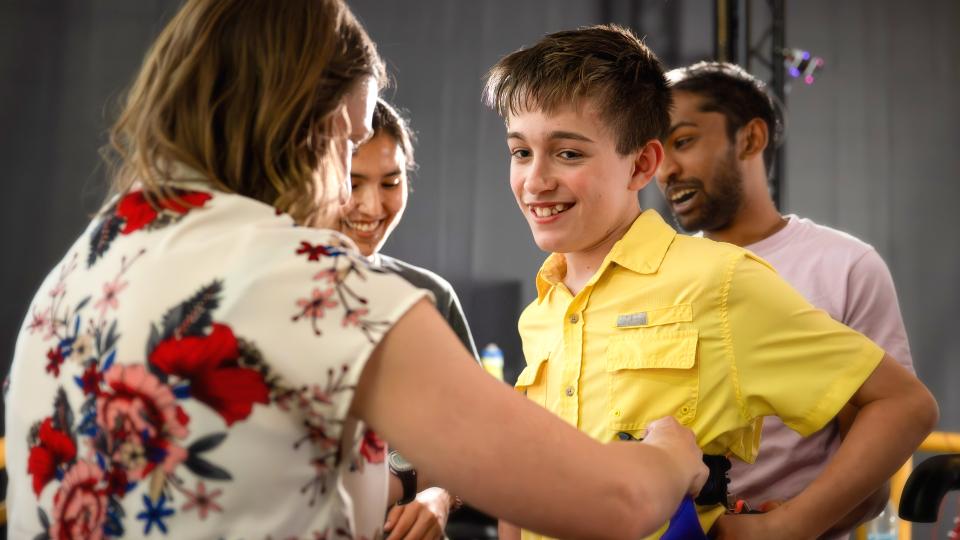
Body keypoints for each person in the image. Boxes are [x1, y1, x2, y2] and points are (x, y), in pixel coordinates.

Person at [3, 1, 710, 539]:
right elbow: (613, 502)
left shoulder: (90, 261)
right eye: (349, 136)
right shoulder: (312, 283)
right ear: (302, 123)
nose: (348, 188)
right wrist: (671, 453)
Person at [483, 24, 937, 540]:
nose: (535, 180)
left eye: (569, 153)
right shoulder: (544, 308)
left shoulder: (718, 281)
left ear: (641, 164)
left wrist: (790, 525)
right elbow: (525, 475)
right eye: (521, 152)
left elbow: (904, 405)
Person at [656, 61, 917, 538]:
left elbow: (876, 458)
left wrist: (787, 524)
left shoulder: (844, 267)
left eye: (684, 140)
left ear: (751, 139)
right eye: (655, 149)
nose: (666, 168)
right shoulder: (654, 270)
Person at [339, 99, 479, 539]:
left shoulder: (430, 296)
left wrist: (438, 493)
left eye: (391, 182)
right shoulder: (270, 292)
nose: (372, 205)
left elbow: (475, 441)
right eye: (352, 182)